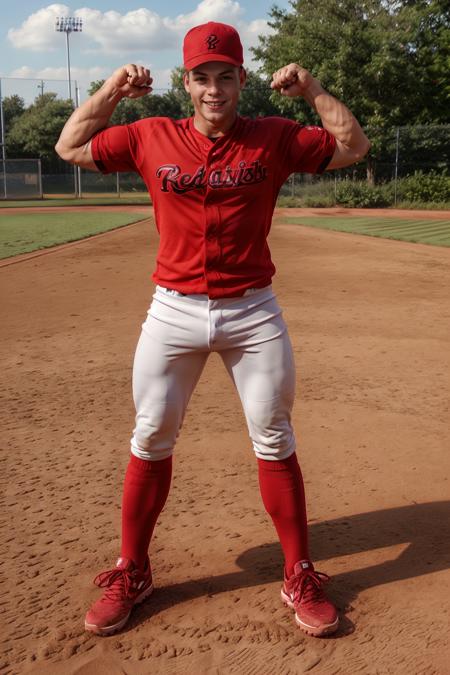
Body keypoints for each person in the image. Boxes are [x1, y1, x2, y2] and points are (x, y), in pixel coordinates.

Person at [55, 21, 370, 639]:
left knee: (274, 435)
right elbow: (70, 145)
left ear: (241, 81)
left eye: (225, 76)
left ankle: (298, 572)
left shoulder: (275, 138)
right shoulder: (151, 135)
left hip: (253, 311)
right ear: (187, 83)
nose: (213, 89)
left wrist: (311, 89)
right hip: (172, 310)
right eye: (202, 77)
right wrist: (114, 89)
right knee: (151, 434)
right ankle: (133, 568)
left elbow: (353, 146)